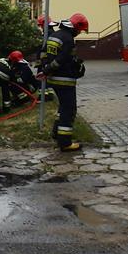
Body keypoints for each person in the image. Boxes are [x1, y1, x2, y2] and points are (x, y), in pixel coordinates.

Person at [39, 12, 88, 152]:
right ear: (75, 27)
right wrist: (48, 69)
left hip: (54, 79)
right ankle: (65, 143)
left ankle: (56, 132)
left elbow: (43, 53)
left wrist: (44, 68)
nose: (79, 33)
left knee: (63, 107)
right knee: (69, 109)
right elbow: (62, 59)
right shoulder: (68, 39)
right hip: (65, 80)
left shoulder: (54, 35)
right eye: (79, 30)